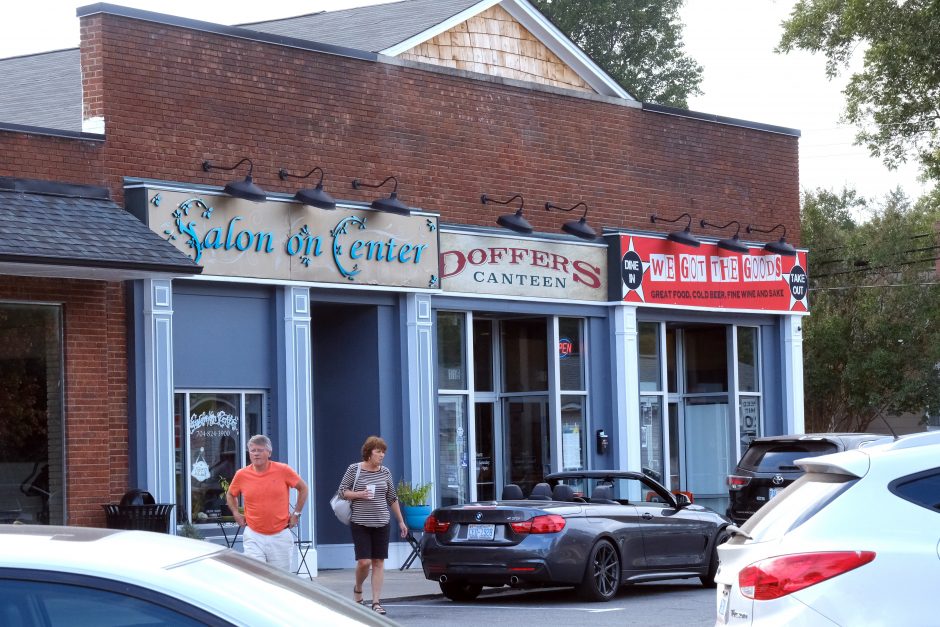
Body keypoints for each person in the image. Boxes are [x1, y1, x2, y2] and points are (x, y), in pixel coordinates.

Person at [337, 435, 408, 616]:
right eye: (378, 451)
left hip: (382, 522)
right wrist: (360, 494)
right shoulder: (354, 469)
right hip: (360, 522)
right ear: (368, 453)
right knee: (364, 562)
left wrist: (400, 521)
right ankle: (358, 589)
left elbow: (392, 497)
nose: (382, 455)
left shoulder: (385, 472)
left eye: (383, 452)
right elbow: (342, 491)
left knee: (378, 562)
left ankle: (376, 602)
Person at [226, 434, 309, 571]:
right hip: (253, 534)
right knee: (256, 575)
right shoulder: (242, 474)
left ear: (269, 452)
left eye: (260, 450)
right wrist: (236, 513)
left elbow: (303, 488)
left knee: (280, 579)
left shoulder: (283, 470)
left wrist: (297, 513)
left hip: (280, 535)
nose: (256, 454)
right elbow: (230, 494)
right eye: (253, 451)